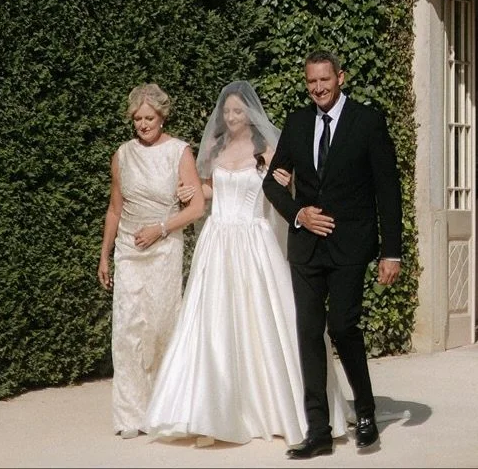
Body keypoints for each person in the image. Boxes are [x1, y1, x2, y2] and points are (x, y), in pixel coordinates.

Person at [144, 82, 349, 447]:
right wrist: (192, 192)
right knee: (213, 324)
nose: (232, 117)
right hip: (217, 240)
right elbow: (211, 189)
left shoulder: (267, 149)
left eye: (238, 111)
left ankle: (273, 408)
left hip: (253, 239)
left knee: (263, 320)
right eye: (227, 112)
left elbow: (281, 188)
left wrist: (287, 183)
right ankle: (211, 408)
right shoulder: (214, 147)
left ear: (250, 114)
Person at [263, 53, 403, 459]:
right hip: (306, 247)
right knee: (308, 334)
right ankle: (318, 430)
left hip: (350, 245)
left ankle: (365, 413)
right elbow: (272, 185)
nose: (319, 88)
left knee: (343, 326)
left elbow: (387, 191)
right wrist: (298, 213)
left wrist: (391, 251)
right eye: (312, 82)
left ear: (341, 77)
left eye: (325, 80)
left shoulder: (368, 122)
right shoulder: (297, 122)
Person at [99, 82, 205, 438]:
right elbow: (115, 209)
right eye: (137, 119)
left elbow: (196, 207)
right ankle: (131, 416)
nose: (143, 124)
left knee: (160, 328)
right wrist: (105, 254)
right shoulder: (122, 154)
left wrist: (160, 228)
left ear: (162, 116)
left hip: (164, 248)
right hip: (129, 251)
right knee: (128, 329)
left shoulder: (179, 152)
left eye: (149, 117)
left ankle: (164, 408)